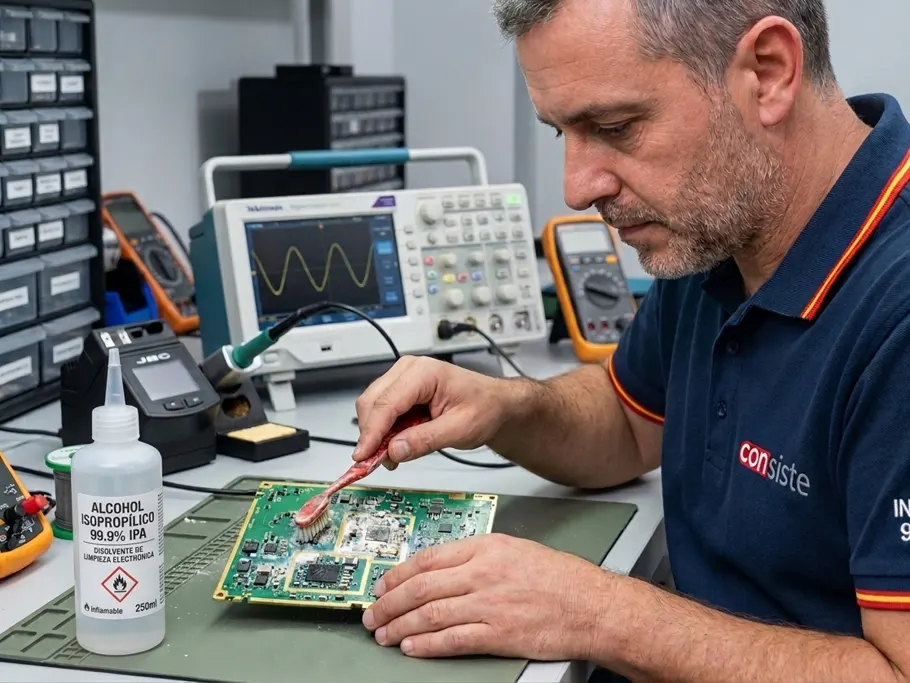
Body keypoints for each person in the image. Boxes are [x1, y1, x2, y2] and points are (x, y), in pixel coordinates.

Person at [351, 0, 910, 679]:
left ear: (769, 73)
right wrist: (503, 408)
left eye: (614, 127)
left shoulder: (894, 310)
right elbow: (627, 421)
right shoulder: (717, 229)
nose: (578, 187)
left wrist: (596, 612)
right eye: (563, 133)